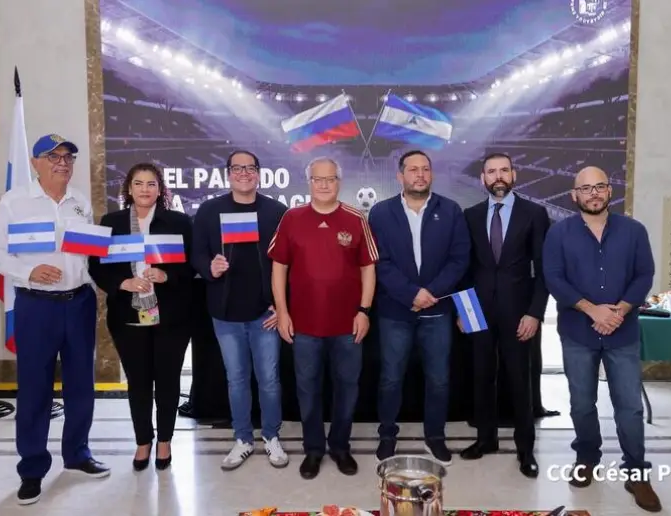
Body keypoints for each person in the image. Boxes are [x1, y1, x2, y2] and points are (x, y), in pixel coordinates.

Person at [0, 134, 109, 505]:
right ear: (35, 162)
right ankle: (32, 468)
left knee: (80, 386)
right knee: (35, 388)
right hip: (36, 307)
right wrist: (29, 272)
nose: (62, 163)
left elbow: (89, 257)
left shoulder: (80, 204)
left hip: (79, 304)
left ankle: (77, 453)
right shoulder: (15, 202)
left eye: (68, 157)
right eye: (53, 156)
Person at [543, 166, 660, 512]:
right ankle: (587, 457)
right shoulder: (558, 233)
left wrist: (619, 311)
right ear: (574, 195)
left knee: (630, 407)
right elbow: (554, 279)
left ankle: (636, 472)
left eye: (600, 187)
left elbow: (644, 275)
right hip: (578, 333)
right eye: (586, 188)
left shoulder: (634, 231)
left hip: (622, 332)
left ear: (610, 191)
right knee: (581, 403)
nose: (593, 193)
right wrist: (593, 310)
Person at [268, 156, 377, 479]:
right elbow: (279, 268)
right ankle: (314, 449)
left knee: (347, 388)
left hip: (347, 327)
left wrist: (364, 311)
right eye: (318, 179)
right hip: (304, 327)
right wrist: (283, 311)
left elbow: (368, 268)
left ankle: (340, 447)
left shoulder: (356, 219)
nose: (324, 184)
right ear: (309, 183)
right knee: (307, 389)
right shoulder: (292, 218)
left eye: (330, 179)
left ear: (339, 182)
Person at [88, 162, 194, 472]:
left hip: (171, 316)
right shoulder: (111, 222)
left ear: (160, 189)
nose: (145, 189)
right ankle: (143, 441)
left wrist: (166, 276)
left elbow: (191, 268)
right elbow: (96, 266)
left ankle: (164, 440)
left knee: (168, 380)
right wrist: (122, 283)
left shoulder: (179, 222)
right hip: (127, 314)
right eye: (139, 183)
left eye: (151, 184)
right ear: (129, 189)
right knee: (138, 381)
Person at [367, 150, 470, 465]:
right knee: (391, 378)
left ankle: (435, 437)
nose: (420, 175)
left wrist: (432, 293)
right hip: (395, 311)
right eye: (413, 169)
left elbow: (459, 259)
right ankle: (387, 435)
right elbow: (379, 262)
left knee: (438, 379)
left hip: (438, 311)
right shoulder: (381, 213)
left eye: (425, 169)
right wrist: (411, 294)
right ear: (400, 176)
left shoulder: (450, 210)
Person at [191, 150, 289, 470]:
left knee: (270, 380)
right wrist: (210, 267)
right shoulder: (209, 210)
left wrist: (284, 306)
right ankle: (243, 438)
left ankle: (271, 435)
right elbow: (196, 255)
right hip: (225, 314)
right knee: (236, 379)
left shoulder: (276, 211)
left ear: (259, 173)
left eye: (250, 168)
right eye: (237, 168)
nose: (244, 173)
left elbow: (290, 263)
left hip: (265, 313)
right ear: (228, 173)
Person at [460, 152, 549, 478]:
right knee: (481, 378)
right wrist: (464, 312)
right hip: (479, 313)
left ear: (514, 174)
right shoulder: (470, 215)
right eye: (491, 172)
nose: (498, 176)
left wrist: (535, 314)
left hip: (519, 314)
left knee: (519, 381)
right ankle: (486, 440)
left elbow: (544, 271)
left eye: (503, 170)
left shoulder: (534, 213)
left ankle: (526, 450)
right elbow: (464, 269)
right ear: (483, 178)